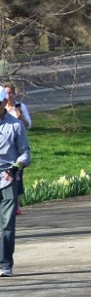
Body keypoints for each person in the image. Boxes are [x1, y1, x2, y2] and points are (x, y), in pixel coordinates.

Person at [0, 94, 31, 277]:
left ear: (4, 102)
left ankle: (5, 264)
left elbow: (25, 154)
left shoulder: (15, 125)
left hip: (8, 180)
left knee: (7, 224)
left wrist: (15, 167)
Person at [2, 84, 31, 216]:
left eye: (10, 93)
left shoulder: (19, 110)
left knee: (7, 223)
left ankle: (16, 204)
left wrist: (14, 167)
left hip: (11, 164)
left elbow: (28, 125)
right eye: (7, 93)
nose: (9, 95)